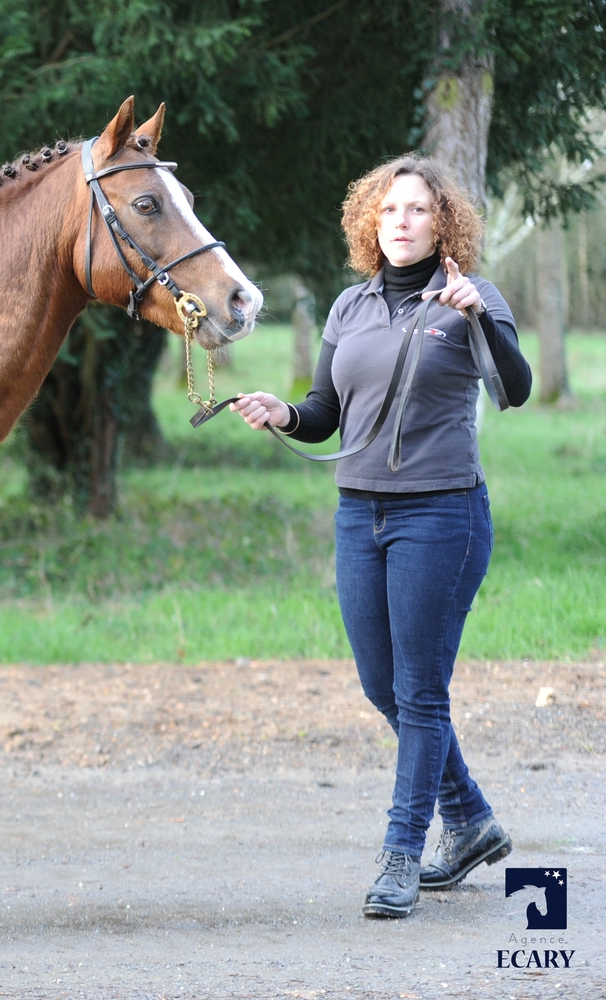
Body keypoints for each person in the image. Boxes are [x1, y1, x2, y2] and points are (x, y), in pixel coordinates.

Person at [228, 156, 532, 919]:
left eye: (419, 209)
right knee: (380, 684)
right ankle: (469, 821)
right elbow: (325, 409)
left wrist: (478, 318)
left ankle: (402, 855)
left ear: (443, 223)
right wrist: (281, 412)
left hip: (442, 516)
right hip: (359, 515)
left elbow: (517, 389)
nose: (401, 220)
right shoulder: (349, 307)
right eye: (390, 208)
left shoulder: (473, 298)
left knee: (421, 692)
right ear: (371, 220)